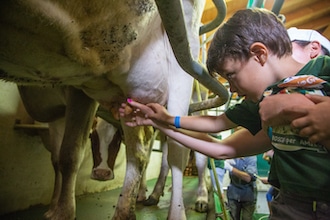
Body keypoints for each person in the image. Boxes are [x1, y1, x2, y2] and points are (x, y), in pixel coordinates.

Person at [120, 8, 330, 219]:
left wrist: (305, 107)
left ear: (259, 54)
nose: (231, 89)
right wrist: (161, 121)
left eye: (231, 75)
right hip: (288, 206)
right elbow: (219, 137)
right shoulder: (264, 101)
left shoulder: (323, 69)